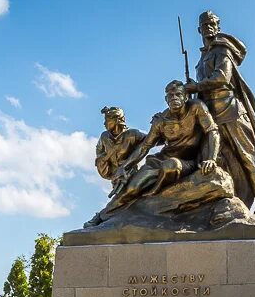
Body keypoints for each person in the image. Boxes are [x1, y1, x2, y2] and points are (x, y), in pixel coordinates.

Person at [85, 81, 219, 227]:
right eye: (170, 95)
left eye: (178, 94)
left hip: (189, 161)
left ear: (186, 97)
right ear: (166, 99)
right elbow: (145, 146)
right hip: (160, 160)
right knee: (132, 188)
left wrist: (211, 159)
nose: (174, 98)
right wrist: (125, 167)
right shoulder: (160, 120)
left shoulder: (196, 107)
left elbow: (212, 131)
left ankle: (152, 198)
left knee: (171, 166)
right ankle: (102, 216)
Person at [187, 10, 255, 217]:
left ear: (218, 26)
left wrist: (195, 86)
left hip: (230, 109)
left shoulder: (222, 49)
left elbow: (222, 78)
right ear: (199, 29)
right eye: (205, 25)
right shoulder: (203, 57)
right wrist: (193, 89)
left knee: (246, 156)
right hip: (209, 114)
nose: (209, 27)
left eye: (212, 24)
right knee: (211, 159)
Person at [93, 106, 145, 196]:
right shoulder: (104, 137)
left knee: (130, 195)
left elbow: (152, 140)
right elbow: (99, 152)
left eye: (107, 120)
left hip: (131, 175)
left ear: (117, 120)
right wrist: (103, 160)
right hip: (116, 177)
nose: (104, 123)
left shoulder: (132, 135)